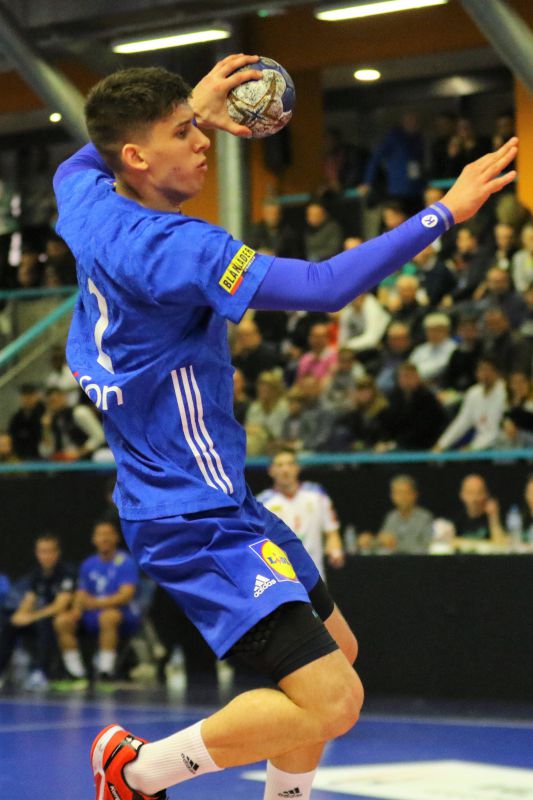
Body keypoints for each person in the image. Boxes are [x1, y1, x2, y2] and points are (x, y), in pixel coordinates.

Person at [52, 53, 517, 800]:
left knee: (338, 651)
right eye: (184, 131)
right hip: (189, 516)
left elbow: (82, 157)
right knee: (334, 701)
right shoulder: (176, 249)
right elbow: (325, 287)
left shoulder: (84, 197)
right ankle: (133, 770)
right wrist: (444, 213)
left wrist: (195, 103)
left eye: (196, 125)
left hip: (218, 499)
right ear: (136, 157)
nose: (203, 140)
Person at [54, 520, 140, 683]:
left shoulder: (125, 562)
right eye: (100, 535)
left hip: (122, 615)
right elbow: (81, 593)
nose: (104, 538)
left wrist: (96, 603)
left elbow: (126, 595)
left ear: (116, 537)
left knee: (108, 617)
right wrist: (76, 610)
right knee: (62, 621)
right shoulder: (88, 564)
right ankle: (76, 673)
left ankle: (105, 672)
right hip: (92, 615)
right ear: (94, 539)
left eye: (108, 534)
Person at [0, 534, 75, 691]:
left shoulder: (66, 572)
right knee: (10, 624)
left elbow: (60, 606)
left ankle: (40, 673)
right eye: (42, 551)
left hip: (63, 620)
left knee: (44, 624)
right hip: (40, 617)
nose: (46, 556)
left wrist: (31, 617)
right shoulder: (36, 573)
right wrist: (20, 615)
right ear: (37, 553)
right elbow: (30, 599)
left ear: (57, 553)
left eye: (49, 551)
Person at [257, 450, 344, 579]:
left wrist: (335, 550)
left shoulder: (317, 495)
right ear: (271, 470)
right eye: (279, 465)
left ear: (298, 467)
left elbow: (332, 532)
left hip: (316, 576)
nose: (285, 470)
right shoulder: (262, 504)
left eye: (290, 464)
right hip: (281, 578)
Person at [434, 357, 506, 451]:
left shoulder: (505, 393)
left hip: (501, 445)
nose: (485, 374)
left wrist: (472, 448)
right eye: (481, 370)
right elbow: (462, 422)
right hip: (480, 445)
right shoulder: (473, 393)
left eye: (488, 370)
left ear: (497, 372)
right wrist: (441, 444)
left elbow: (494, 431)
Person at [359, 475, 433, 555]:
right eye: (398, 493)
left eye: (405, 493)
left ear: (414, 495)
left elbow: (428, 547)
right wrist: (370, 542)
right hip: (392, 561)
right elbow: (383, 543)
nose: (402, 497)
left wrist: (395, 545)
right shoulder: (391, 517)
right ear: (392, 496)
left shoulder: (424, 518)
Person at [39, 386, 106, 461]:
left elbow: (100, 436)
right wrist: (46, 429)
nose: (53, 405)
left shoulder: (79, 412)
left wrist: (79, 453)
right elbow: (46, 451)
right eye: (49, 403)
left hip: (90, 456)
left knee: (100, 456)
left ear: (64, 397)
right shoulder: (51, 420)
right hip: (64, 460)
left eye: (54, 401)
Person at [451, 474, 506, 547]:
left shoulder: (494, 518)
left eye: (479, 492)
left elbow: (502, 545)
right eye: (470, 493)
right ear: (462, 494)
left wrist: (494, 518)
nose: (475, 498)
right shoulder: (456, 519)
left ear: (486, 494)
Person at [408, 312, 457, 386]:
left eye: (437, 330)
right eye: (430, 330)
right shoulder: (420, 349)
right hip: (416, 384)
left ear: (447, 331)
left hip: (441, 384)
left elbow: (441, 368)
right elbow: (409, 367)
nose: (433, 334)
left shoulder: (453, 349)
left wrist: (417, 377)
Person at [8, 383, 45, 460]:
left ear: (36, 396)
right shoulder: (16, 417)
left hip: (42, 457)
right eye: (25, 396)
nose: (27, 399)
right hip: (22, 457)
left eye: (30, 396)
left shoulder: (44, 414)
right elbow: (12, 436)